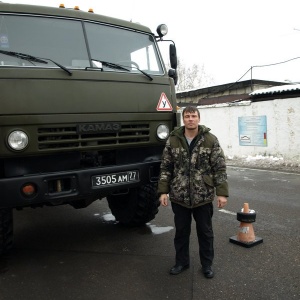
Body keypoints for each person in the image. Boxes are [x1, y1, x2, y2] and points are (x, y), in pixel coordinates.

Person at [157, 106, 229, 279]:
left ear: (199, 118)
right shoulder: (173, 140)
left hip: (202, 196)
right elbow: (166, 167)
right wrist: (163, 191)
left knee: (205, 232)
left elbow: (219, 168)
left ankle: (207, 265)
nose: (190, 119)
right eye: (187, 116)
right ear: (183, 119)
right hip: (179, 195)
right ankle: (181, 262)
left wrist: (222, 193)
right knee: (181, 232)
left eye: (193, 116)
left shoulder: (210, 140)